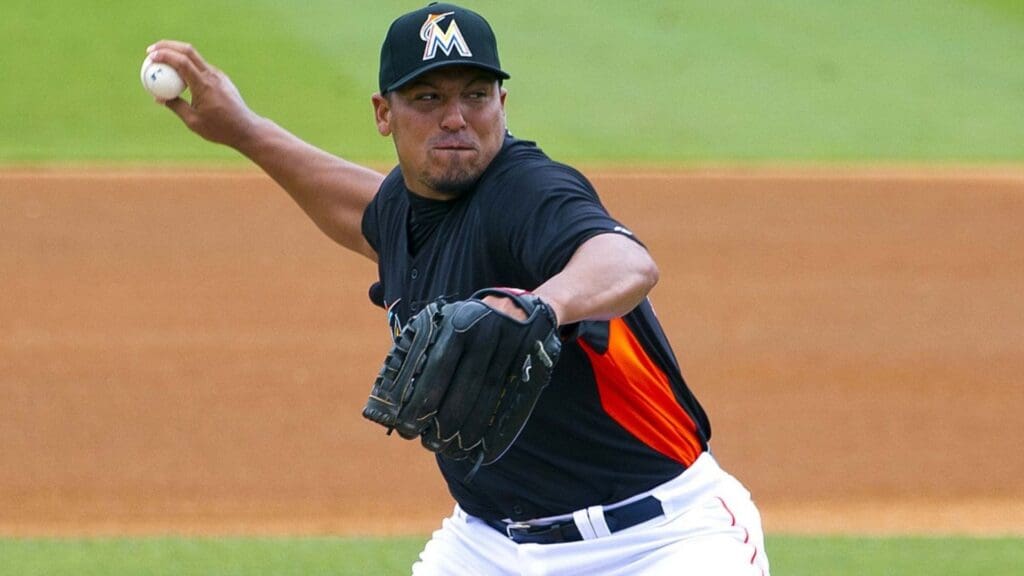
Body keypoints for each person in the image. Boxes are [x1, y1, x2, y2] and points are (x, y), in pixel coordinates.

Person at [148, 3, 770, 575]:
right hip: (491, 546)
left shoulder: (527, 191)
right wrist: (244, 130)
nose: (455, 117)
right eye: (428, 97)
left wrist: (544, 303)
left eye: (476, 95)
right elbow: (361, 210)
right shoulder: (405, 208)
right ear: (383, 113)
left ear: (502, 101)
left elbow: (624, 260)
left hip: (664, 540)